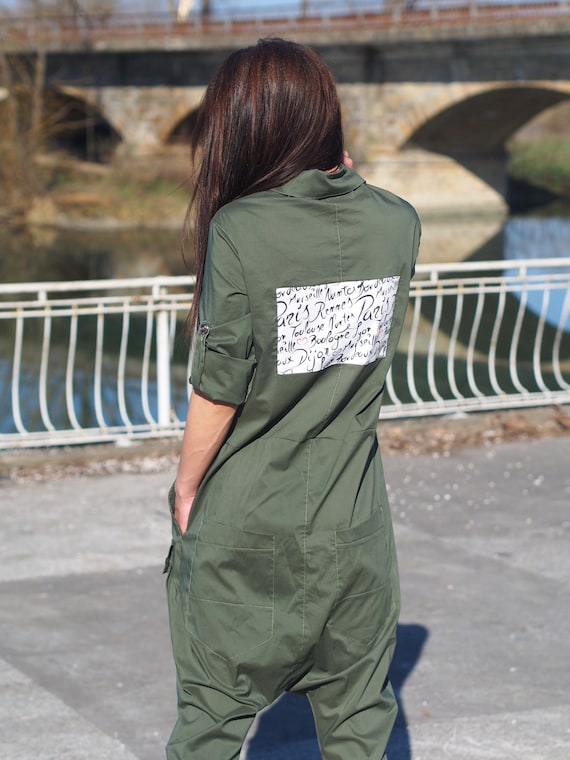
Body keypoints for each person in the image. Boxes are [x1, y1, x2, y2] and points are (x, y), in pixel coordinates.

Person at [164, 37, 421, 760]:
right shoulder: (396, 222)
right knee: (359, 724)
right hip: (354, 522)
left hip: (248, 522)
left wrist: (186, 487)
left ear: (247, 127)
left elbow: (220, 388)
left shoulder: (240, 230)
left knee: (211, 724)